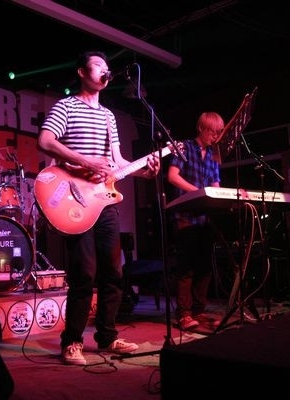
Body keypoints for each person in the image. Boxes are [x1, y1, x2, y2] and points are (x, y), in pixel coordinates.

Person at [37, 50, 160, 365]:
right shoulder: (66, 106)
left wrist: (145, 171)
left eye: (107, 67)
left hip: (104, 201)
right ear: (81, 72)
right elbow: (46, 141)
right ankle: (72, 341)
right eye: (97, 65)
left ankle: (107, 336)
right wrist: (86, 161)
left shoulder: (108, 116)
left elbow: (117, 162)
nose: (105, 70)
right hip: (74, 197)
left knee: (113, 272)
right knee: (84, 272)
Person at [166, 111, 225, 331]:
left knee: (204, 266)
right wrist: (198, 193)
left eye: (218, 133)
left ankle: (199, 311)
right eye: (212, 131)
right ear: (201, 128)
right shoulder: (185, 147)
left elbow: (216, 185)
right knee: (186, 266)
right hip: (185, 215)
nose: (215, 136)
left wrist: (218, 197)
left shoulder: (214, 155)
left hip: (204, 217)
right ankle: (184, 314)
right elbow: (172, 176)